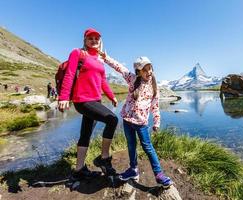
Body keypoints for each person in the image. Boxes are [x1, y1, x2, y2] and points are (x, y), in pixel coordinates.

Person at [101, 53, 173, 188]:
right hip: (128, 121)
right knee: (131, 145)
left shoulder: (154, 88)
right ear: (138, 72)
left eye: (150, 68)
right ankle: (133, 169)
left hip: (141, 124)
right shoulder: (132, 79)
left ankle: (159, 174)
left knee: (148, 147)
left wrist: (157, 122)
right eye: (145, 70)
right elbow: (119, 67)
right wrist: (106, 58)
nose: (149, 72)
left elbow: (155, 107)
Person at [58, 28, 119, 181]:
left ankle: (79, 169)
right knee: (112, 119)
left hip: (95, 100)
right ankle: (103, 158)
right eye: (90, 38)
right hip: (82, 101)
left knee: (85, 134)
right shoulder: (78, 53)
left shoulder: (99, 60)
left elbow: (103, 81)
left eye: (96, 38)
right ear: (85, 40)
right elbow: (70, 74)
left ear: (100, 41)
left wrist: (112, 97)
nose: (94, 40)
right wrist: (63, 97)